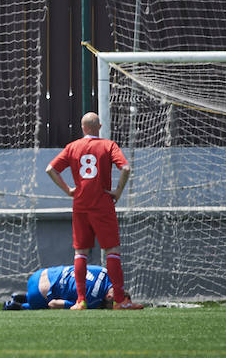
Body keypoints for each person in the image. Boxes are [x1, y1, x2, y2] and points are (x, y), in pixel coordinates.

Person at [46, 112, 142, 310]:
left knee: (81, 252)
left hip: (80, 204)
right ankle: (120, 301)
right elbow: (125, 168)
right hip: (103, 204)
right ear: (99, 126)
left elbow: (50, 169)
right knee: (112, 250)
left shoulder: (72, 147)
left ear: (83, 128)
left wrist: (69, 190)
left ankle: (80, 301)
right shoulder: (108, 145)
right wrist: (118, 191)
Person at [2, 264, 117, 310]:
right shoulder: (93, 300)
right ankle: (18, 306)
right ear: (108, 297)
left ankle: (19, 297)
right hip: (38, 293)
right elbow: (53, 304)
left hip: (40, 274)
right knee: (42, 306)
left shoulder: (104, 271)